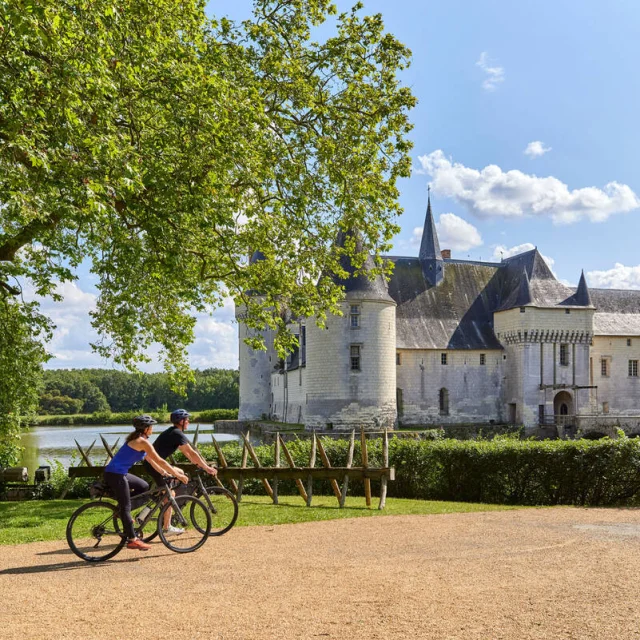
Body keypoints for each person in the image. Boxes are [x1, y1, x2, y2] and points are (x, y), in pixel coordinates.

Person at [104, 414, 188, 551]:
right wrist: (177, 474)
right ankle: (132, 539)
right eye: (151, 427)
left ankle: (121, 512)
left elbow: (151, 460)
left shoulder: (138, 439)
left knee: (144, 487)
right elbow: (160, 460)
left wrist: (164, 473)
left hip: (118, 473)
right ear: (146, 429)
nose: (153, 429)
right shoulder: (142, 442)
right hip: (116, 475)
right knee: (126, 506)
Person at [141, 408, 217, 533]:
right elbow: (191, 452)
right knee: (171, 495)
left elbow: (187, 452)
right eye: (187, 420)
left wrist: (198, 464)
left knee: (180, 473)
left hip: (154, 464)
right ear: (181, 421)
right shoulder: (176, 433)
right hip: (155, 466)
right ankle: (167, 526)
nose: (188, 422)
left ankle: (163, 501)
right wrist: (206, 467)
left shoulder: (174, 432)